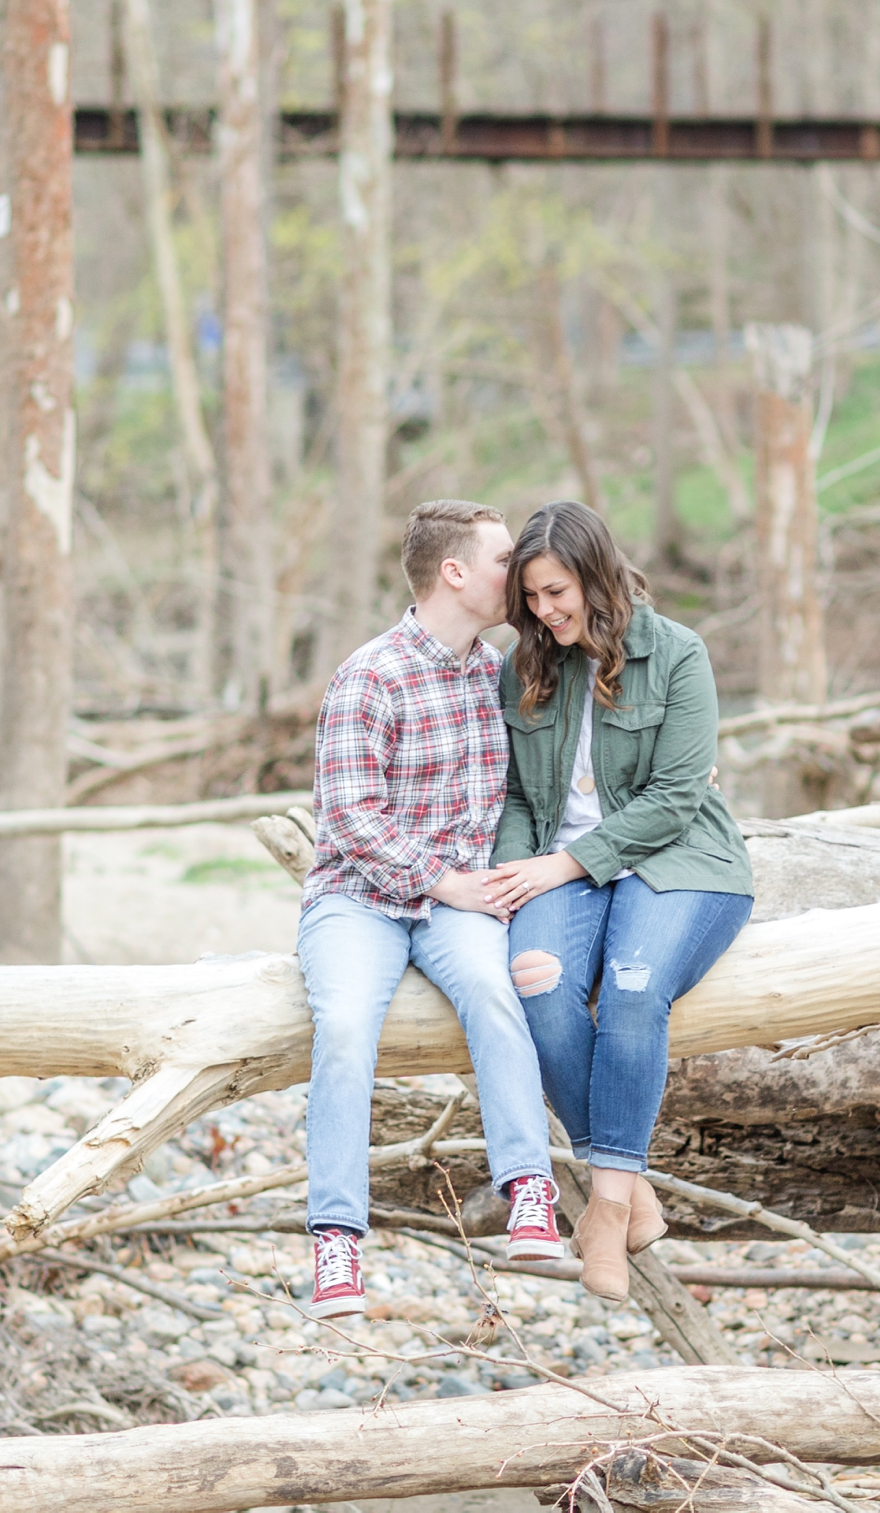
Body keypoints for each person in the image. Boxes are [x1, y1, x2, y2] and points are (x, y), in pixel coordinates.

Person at [297, 499, 563, 1319]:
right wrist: (445, 881)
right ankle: (336, 1239)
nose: (515, 575)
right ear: (453, 572)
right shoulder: (371, 673)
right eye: (499, 561)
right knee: (344, 1025)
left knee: (494, 992)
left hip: (460, 904)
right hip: (359, 899)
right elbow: (347, 815)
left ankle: (528, 1186)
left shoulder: (498, 671)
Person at [485, 500, 754, 1303]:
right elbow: (513, 799)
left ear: (597, 576)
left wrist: (566, 865)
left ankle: (604, 1209)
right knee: (535, 978)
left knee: (634, 990)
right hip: (556, 870)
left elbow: (675, 797)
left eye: (558, 592)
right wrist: (513, 874)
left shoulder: (676, 653)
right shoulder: (525, 665)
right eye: (531, 598)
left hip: (677, 862)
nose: (546, 612)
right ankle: (631, 1183)